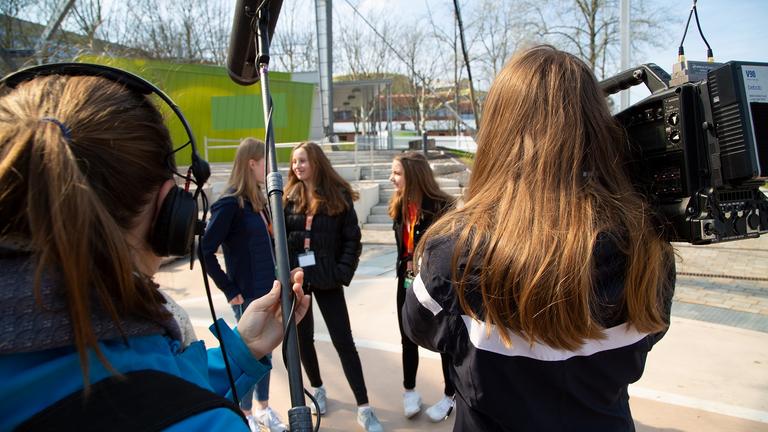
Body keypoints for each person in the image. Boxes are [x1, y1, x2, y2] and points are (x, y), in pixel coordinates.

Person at [0, 69, 310, 431]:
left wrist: (243, 347)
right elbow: (159, 403)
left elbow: (161, 390)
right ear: (169, 212)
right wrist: (232, 288)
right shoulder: (208, 424)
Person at [403, 45, 676, 431]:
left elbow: (419, 328)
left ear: (498, 132)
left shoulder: (452, 250)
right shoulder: (647, 246)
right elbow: (651, 331)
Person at [284, 142, 383, 432]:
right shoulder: (287, 198)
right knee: (303, 340)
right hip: (299, 281)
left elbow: (352, 240)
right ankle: (317, 388)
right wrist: (289, 269)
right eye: (293, 162)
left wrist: (341, 272)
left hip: (328, 279)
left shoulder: (338, 197)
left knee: (344, 342)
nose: (297, 167)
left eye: (302, 161)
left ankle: (364, 407)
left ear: (316, 162)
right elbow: (283, 239)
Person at [202, 137, 286, 432]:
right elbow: (205, 250)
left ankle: (262, 409)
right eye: (265, 162)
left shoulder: (258, 203)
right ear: (252, 163)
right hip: (247, 295)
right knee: (249, 355)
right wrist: (229, 289)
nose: (268, 168)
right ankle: (246, 413)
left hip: (268, 290)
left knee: (266, 355)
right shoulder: (230, 204)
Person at [387, 152, 456, 421]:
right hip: (405, 281)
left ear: (413, 175)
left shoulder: (442, 206)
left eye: (397, 173)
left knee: (442, 339)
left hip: (434, 285)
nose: (392, 178)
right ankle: (409, 391)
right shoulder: (399, 205)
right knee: (407, 335)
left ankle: (450, 396)